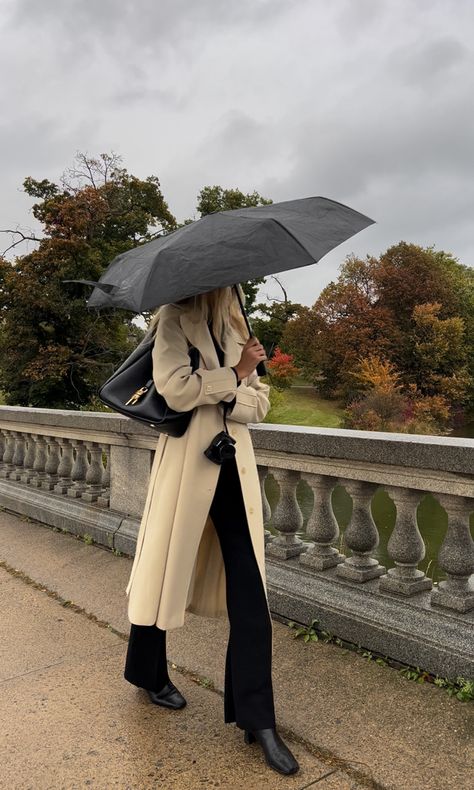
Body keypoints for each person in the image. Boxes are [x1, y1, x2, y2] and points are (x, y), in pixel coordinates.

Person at [123, 284, 299, 777]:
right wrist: (235, 376)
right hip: (186, 470)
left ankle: (257, 718)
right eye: (222, 283)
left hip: (231, 468)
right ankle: (146, 672)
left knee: (250, 589)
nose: (228, 290)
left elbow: (260, 406)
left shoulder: (239, 328)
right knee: (163, 572)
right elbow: (174, 390)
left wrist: (232, 386)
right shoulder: (174, 321)